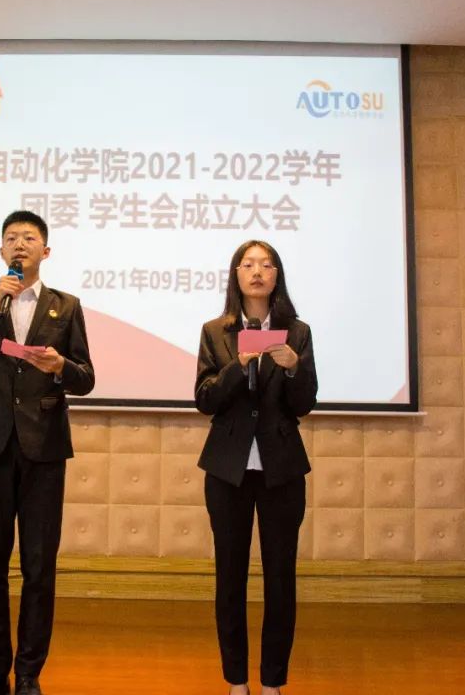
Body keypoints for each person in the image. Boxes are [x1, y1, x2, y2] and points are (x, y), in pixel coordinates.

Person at [0, 211, 95, 695]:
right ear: (1, 252)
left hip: (43, 449)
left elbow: (86, 378)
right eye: (11, 238)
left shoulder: (66, 307)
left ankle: (29, 674)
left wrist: (60, 365)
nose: (20, 244)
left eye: (29, 237)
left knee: (38, 567)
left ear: (45, 252)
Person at [194, 240, 318, 695]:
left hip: (281, 470)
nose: (257, 271)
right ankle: (236, 681)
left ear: (277, 275)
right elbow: (204, 399)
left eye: (266, 265)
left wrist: (293, 368)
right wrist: (238, 365)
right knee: (229, 579)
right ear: (236, 275)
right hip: (227, 470)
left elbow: (304, 404)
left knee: (280, 579)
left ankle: (272, 683)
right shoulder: (215, 331)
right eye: (248, 264)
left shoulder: (297, 332)